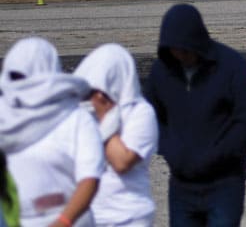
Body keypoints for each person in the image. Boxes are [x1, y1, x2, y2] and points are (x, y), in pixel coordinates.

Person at [146, 3, 246, 227]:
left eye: (185, 49)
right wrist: (171, 150)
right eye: (174, 49)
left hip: (225, 182)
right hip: (182, 184)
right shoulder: (161, 71)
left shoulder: (231, 66)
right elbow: (149, 117)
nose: (180, 54)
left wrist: (219, 153)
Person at [0, 37, 103, 227]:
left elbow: (90, 179)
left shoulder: (76, 119)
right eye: (14, 77)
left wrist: (63, 221)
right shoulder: (3, 116)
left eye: (25, 78)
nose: (21, 85)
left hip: (69, 221)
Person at [75, 43, 159, 227]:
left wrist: (105, 117)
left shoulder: (140, 112)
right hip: (89, 214)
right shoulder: (83, 112)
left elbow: (122, 162)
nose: (94, 97)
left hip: (129, 215)